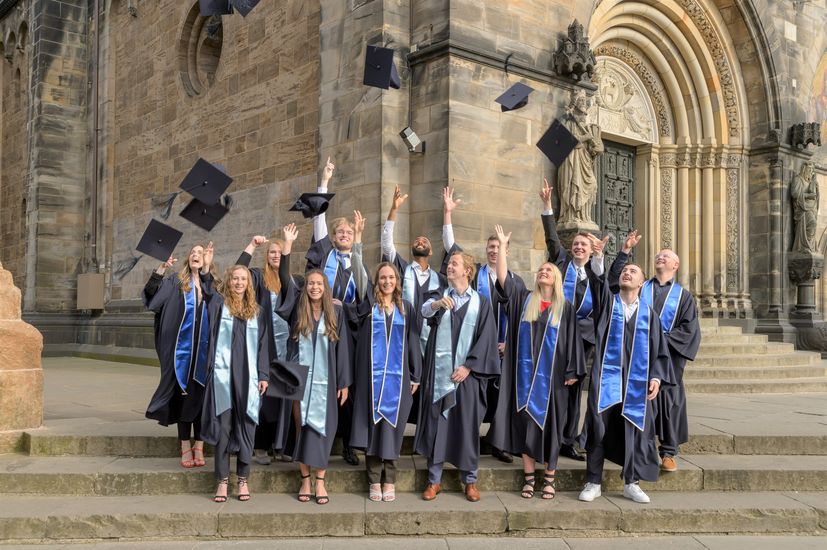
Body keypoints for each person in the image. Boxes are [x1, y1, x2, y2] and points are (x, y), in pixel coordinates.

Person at [492, 224, 585, 500]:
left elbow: (573, 343)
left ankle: (550, 479)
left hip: (553, 381)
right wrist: (501, 247)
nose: (543, 272)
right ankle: (530, 478)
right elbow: (503, 279)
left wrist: (573, 370)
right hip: (524, 380)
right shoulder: (524, 300)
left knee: (552, 427)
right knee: (526, 427)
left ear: (555, 278)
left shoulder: (564, 309)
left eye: (549, 271)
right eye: (541, 270)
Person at [441, 186, 526, 464]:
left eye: (498, 247)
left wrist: (508, 342)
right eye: (490, 247)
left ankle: (498, 442)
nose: (493, 251)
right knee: (478, 397)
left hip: (505, 345)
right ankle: (470, 439)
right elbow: (452, 249)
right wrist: (448, 214)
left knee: (501, 399)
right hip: (478, 348)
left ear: (505, 251)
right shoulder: (473, 276)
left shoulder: (515, 281)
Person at [579, 262, 673, 504]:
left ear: (641, 283)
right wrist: (599, 257)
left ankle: (632, 482)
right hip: (607, 380)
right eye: (624, 271)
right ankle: (593, 482)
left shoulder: (648, 314)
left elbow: (658, 350)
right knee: (599, 426)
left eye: (633, 271)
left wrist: (655, 376)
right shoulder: (607, 305)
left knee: (635, 430)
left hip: (636, 383)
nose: (627, 273)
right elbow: (598, 281)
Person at [539, 177, 617, 461]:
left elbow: (602, 285)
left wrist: (600, 257)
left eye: (584, 245)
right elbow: (550, 238)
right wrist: (547, 206)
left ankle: (567, 440)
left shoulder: (594, 274)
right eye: (577, 244)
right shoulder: (561, 262)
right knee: (547, 383)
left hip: (582, 338)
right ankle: (544, 434)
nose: (579, 247)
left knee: (573, 390)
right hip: (553, 332)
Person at [276, 223, 352, 505]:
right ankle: (305, 479)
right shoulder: (298, 309)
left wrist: (344, 381)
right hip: (300, 379)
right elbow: (284, 278)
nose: (315, 287)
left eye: (319, 284)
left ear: (325, 287)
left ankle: (321, 480)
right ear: (306, 288)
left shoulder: (336, 314)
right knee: (303, 428)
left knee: (325, 429)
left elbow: (343, 350)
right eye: (311, 284)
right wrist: (287, 246)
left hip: (329, 379)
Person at [415, 250, 500, 502]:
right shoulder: (440, 297)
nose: (449, 267)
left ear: (467, 271)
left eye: (455, 264)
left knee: (467, 426)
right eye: (449, 264)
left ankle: (470, 481)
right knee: (438, 424)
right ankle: (434, 480)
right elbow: (423, 311)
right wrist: (437, 304)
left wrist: (469, 367)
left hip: (468, 378)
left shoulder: (481, 303)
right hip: (440, 374)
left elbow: (487, 339)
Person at [609, 244, 700, 472]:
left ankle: (668, 452)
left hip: (668, 358)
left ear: (675, 265)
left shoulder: (684, 297)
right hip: (637, 355)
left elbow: (689, 330)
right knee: (641, 403)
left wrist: (658, 340)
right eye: (658, 255)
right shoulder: (641, 287)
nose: (660, 257)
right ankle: (641, 449)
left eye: (666, 256)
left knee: (669, 404)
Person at [306, 157, 366, 466]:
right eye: (339, 230)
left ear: (355, 237)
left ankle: (348, 444)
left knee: (350, 384)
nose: (344, 234)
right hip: (323, 324)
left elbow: (367, 294)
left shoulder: (358, 262)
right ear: (332, 235)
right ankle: (320, 437)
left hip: (350, 329)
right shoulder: (325, 253)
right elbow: (317, 220)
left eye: (348, 232)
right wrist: (325, 181)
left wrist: (349, 309)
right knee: (322, 379)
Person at [347, 262, 422, 503]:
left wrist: (416, 374)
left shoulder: (406, 308)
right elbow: (359, 275)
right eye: (382, 278)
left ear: (396, 281)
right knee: (373, 428)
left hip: (398, 383)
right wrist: (358, 242)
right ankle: (373, 480)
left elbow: (413, 343)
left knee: (392, 429)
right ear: (377, 281)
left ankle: (389, 479)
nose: (387, 281)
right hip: (371, 380)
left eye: (391, 277)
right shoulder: (369, 307)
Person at [200, 263, 271, 503]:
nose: (239, 283)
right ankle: (222, 481)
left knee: (247, 428)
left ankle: (243, 479)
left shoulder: (257, 311)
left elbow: (263, 347)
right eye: (235, 279)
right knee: (223, 428)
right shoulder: (219, 305)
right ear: (229, 282)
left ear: (249, 284)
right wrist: (207, 268)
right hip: (223, 377)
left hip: (248, 377)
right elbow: (208, 293)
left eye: (243, 279)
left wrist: (263, 375)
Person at [143, 242, 215, 470]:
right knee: (183, 399)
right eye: (192, 252)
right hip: (181, 353)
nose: (195, 255)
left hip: (205, 353)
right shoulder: (176, 282)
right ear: (187, 259)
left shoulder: (212, 284)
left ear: (206, 259)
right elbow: (151, 297)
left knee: (203, 399)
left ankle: (200, 446)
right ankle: (185, 445)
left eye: (200, 253)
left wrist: (207, 272)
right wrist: (161, 269)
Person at [236, 234, 293, 465]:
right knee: (265, 400)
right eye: (272, 252)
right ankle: (260, 445)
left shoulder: (292, 281)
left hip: (287, 350)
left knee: (285, 401)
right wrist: (252, 245)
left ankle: (282, 445)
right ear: (267, 256)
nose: (276, 255)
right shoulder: (258, 278)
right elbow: (239, 270)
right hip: (265, 348)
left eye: (279, 252)